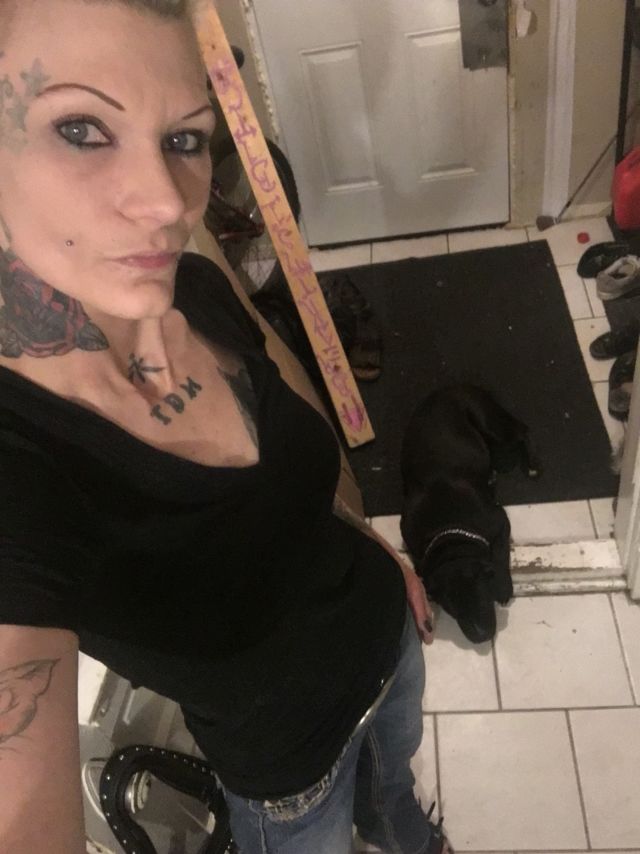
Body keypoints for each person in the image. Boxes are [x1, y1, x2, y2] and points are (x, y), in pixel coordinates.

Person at [0, 1, 451, 851]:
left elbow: (294, 469)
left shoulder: (197, 293)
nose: (167, 203)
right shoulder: (19, 468)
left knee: (397, 799)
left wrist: (372, 549)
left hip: (388, 643)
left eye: (184, 137)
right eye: (82, 129)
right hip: (290, 777)